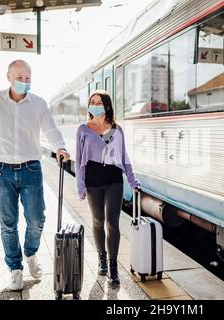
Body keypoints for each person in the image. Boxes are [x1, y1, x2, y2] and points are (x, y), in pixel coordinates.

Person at [0, 60, 70, 291]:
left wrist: (60, 146)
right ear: (8, 76)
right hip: (1, 171)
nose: (24, 82)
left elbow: (51, 129)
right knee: (8, 223)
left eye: (28, 78)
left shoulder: (38, 103)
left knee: (37, 219)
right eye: (19, 78)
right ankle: (15, 268)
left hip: (31, 169)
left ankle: (30, 253)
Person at [75, 90, 140, 286]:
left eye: (98, 102)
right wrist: (80, 185)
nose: (94, 104)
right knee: (97, 221)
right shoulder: (83, 129)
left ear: (107, 106)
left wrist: (132, 180)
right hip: (93, 180)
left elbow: (123, 157)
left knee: (112, 222)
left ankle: (113, 267)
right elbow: (79, 161)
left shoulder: (116, 129)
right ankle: (101, 259)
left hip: (114, 179)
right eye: (91, 102)